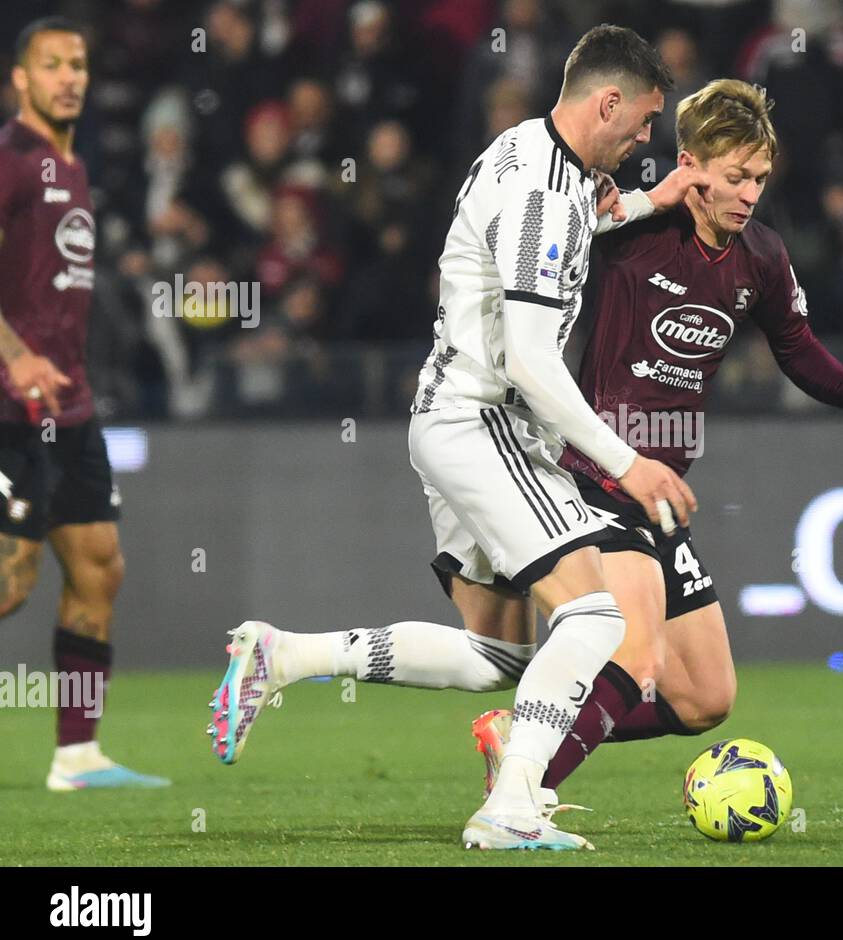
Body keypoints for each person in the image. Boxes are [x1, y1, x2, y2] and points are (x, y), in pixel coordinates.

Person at [210, 24, 707, 851]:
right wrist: (631, 464)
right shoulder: (547, 191)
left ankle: (284, 656)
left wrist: (657, 200)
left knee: (501, 657)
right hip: (483, 421)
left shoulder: (523, 151)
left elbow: (568, 232)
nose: (647, 139)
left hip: (452, 417)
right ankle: (511, 807)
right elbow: (533, 361)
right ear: (607, 101)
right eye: (646, 120)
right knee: (594, 617)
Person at [474, 78, 843, 803]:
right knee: (637, 657)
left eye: (760, 179)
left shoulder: (761, 258)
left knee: (706, 697)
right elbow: (546, 229)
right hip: (595, 476)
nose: (749, 194)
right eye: (735, 176)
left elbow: (794, 343)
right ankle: (521, 792)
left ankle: (524, 735)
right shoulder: (632, 232)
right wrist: (629, 203)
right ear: (690, 163)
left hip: (662, 493)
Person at [0, 17, 169, 791]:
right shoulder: (11, 160)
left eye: (79, 64)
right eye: (52, 65)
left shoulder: (72, 167)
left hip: (69, 405)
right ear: (21, 81)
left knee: (99, 566)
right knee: (12, 578)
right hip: (9, 404)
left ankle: (76, 755)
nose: (70, 76)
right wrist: (18, 355)